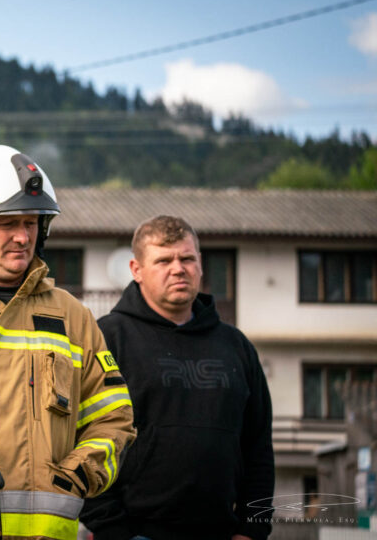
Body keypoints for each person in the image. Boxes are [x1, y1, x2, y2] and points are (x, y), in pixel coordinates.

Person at [0, 145, 137, 540]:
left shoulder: (72, 317)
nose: (22, 237)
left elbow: (114, 417)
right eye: (7, 223)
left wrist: (76, 475)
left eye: (31, 223)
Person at [80, 215, 274, 540]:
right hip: (133, 533)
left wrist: (252, 528)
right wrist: (113, 529)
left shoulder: (236, 347)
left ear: (200, 264)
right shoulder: (106, 339)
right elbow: (78, 439)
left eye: (187, 259)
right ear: (136, 269)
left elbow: (258, 448)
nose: (178, 269)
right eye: (163, 260)